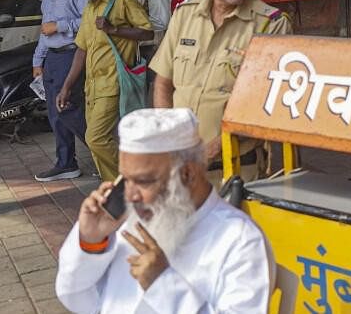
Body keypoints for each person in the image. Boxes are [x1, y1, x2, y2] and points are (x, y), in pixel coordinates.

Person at [55, 108, 272, 313]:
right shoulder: (130, 221)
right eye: (125, 180)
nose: (130, 196)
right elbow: (79, 300)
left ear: (187, 174)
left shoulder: (240, 240)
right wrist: (92, 242)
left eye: (143, 181)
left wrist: (163, 284)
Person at [151, 0, 291, 180]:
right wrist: (168, 137)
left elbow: (266, 108)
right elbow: (163, 82)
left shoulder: (271, 25)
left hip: (234, 170)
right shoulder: (185, 14)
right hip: (180, 167)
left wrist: (210, 151)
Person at [54, 0, 152, 181]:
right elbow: (82, 50)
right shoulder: (89, 8)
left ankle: (131, 181)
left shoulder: (123, 1)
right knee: (98, 141)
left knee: (96, 139)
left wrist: (113, 29)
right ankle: (113, 189)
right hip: (92, 87)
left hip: (114, 82)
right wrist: (67, 86)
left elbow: (146, 32)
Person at [32, 0, 90, 182]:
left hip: (72, 55)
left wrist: (60, 26)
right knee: (56, 114)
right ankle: (66, 163)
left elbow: (90, 21)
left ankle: (109, 154)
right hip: (53, 58)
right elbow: (45, 28)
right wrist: (38, 59)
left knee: (68, 109)